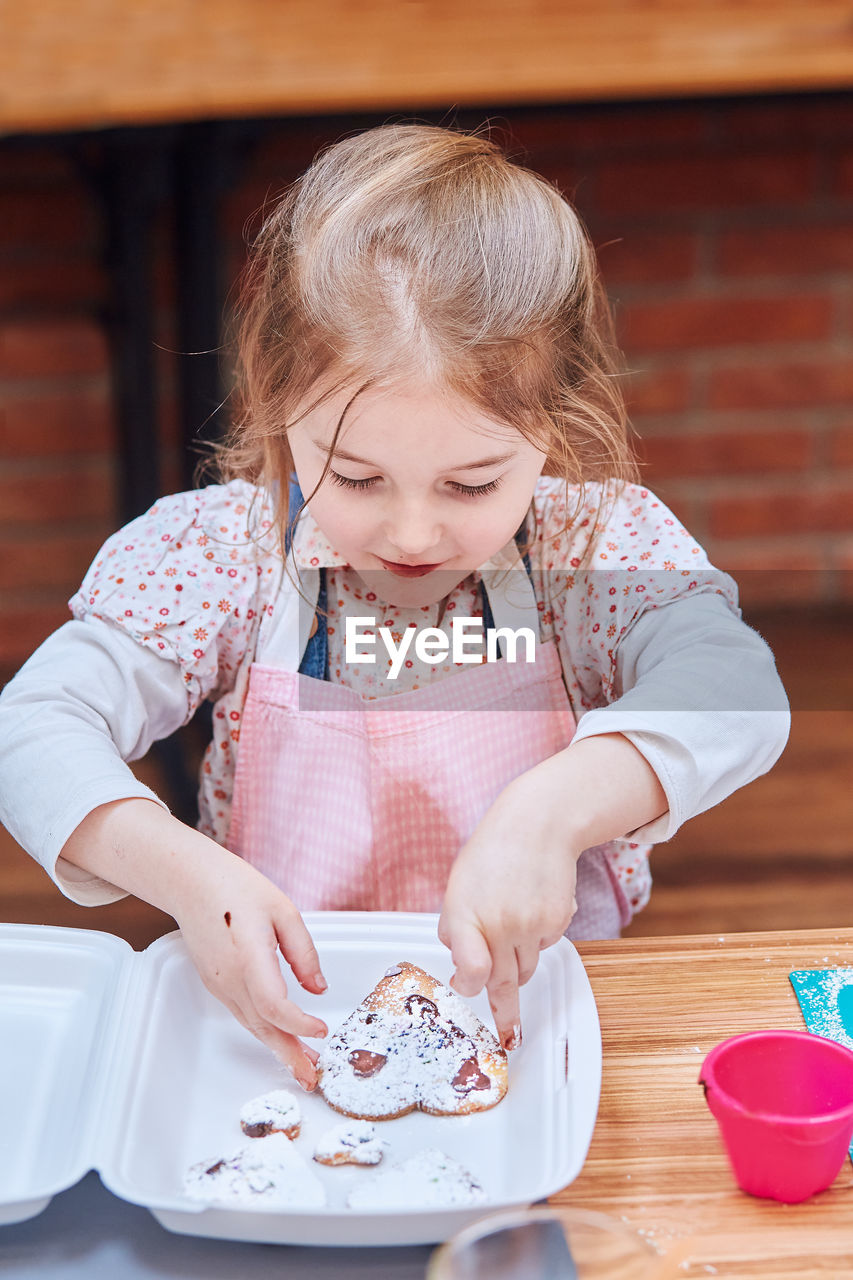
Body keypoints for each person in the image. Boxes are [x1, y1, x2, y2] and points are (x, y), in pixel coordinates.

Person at [0, 124, 789, 1091]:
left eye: (470, 485)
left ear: (555, 423)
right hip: (286, 1027)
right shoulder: (223, 556)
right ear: (276, 400)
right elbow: (35, 724)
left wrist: (549, 814)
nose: (411, 534)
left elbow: (736, 689)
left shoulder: (589, 550)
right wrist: (178, 875)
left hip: (532, 1023)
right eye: (357, 475)